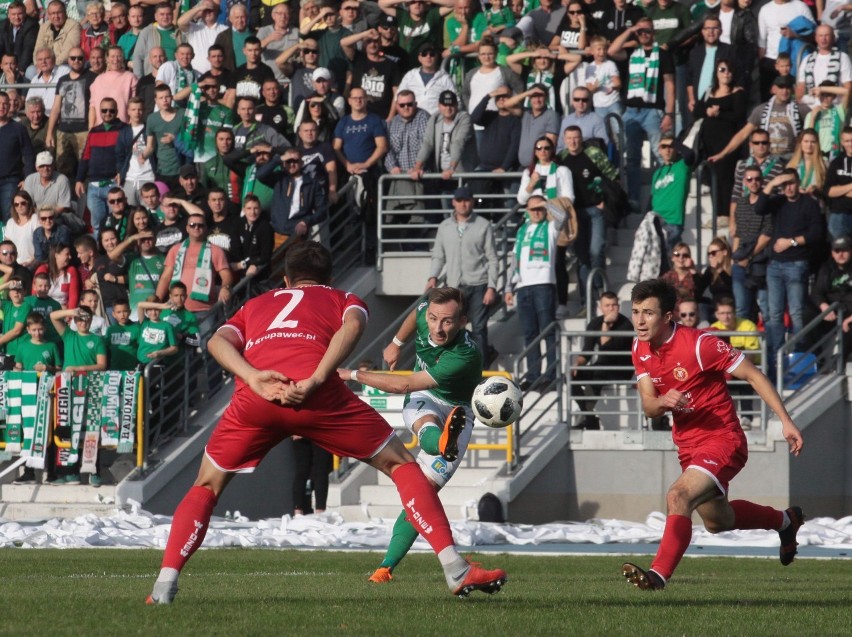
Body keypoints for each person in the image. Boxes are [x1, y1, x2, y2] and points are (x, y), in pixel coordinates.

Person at [146, 240, 507, 604]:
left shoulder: (255, 303)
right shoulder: (344, 298)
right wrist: (318, 378)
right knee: (401, 466)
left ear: (285, 280)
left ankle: (164, 586)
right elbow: (350, 327)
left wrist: (253, 377)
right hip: (320, 395)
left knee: (206, 485)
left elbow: (217, 342)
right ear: (331, 278)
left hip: (257, 397)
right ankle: (455, 569)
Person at [622, 278, 804, 591]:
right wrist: (663, 401)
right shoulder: (640, 347)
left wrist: (785, 421)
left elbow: (753, 375)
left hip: (723, 438)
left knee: (678, 496)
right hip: (688, 447)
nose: (639, 320)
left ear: (668, 316)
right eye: (636, 311)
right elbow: (649, 408)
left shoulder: (700, 343)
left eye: (648, 313)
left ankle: (657, 576)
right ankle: (786, 521)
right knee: (719, 521)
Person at [336, 285, 482, 582]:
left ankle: (385, 567)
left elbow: (404, 385)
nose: (438, 328)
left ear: (463, 320)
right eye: (433, 318)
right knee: (425, 418)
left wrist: (352, 374)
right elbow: (412, 319)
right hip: (425, 399)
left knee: (421, 495)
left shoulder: (464, 354)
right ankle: (440, 441)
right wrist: (396, 342)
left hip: (457, 410)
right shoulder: (424, 313)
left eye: (447, 322)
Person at [756, 169, 824, 372]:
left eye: (792, 183)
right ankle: (776, 357)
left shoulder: (809, 203)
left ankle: (799, 354)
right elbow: (759, 207)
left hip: (797, 263)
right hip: (775, 265)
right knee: (774, 314)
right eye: (785, 184)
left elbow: (816, 233)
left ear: (798, 182)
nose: (788, 188)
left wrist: (791, 242)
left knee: (796, 312)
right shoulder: (778, 201)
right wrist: (772, 182)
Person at [608, 18, 676, 208]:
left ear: (654, 32)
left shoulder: (662, 55)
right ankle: (634, 198)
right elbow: (612, 51)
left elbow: (670, 84)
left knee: (660, 154)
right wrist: (631, 31)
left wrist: (669, 113)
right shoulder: (631, 52)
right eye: (641, 31)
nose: (644, 34)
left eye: (647, 31)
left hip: (653, 111)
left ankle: (665, 195)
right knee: (632, 157)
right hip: (630, 111)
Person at [427, 186, 498, 364]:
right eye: (459, 200)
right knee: (453, 327)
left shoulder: (483, 225)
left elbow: (492, 258)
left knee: (479, 328)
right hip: (454, 286)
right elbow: (438, 256)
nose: (463, 204)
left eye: (466, 200)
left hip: (479, 284)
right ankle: (455, 365)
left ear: (472, 202)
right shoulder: (444, 227)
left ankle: (481, 370)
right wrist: (433, 276)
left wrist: (492, 286)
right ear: (453, 202)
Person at [505, 194, 568, 391]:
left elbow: (562, 217)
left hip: (543, 285)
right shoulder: (522, 231)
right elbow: (514, 259)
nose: (537, 212)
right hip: (523, 287)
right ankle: (533, 376)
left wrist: (546, 203)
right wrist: (508, 287)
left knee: (547, 331)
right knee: (530, 334)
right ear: (526, 211)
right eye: (533, 209)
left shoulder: (550, 227)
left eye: (539, 209)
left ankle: (551, 376)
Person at [694, 58, 748, 224]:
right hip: (708, 141)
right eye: (722, 70)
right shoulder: (710, 91)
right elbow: (697, 110)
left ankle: (726, 213)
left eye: (729, 70)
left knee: (725, 176)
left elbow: (739, 116)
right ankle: (717, 213)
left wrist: (720, 114)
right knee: (712, 176)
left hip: (727, 141)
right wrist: (708, 110)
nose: (726, 73)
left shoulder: (737, 92)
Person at [570, 291, 634, 429]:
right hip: (601, 367)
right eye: (607, 306)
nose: (611, 309)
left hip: (621, 369)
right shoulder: (595, 323)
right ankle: (590, 417)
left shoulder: (626, 324)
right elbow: (587, 352)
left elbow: (606, 345)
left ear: (618, 306)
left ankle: (588, 419)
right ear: (601, 307)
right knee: (570, 375)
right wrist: (577, 364)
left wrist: (606, 324)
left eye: (614, 305)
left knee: (597, 373)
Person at [155, 213, 234, 314]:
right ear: (187, 228)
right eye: (192, 225)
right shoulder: (175, 250)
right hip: (176, 309)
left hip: (206, 310)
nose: (196, 227)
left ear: (206, 228)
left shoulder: (216, 250)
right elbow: (165, 278)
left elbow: (227, 275)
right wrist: (157, 302)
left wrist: (225, 288)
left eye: (200, 225)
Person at [256, 146, 328, 250]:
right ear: (284, 163)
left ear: (302, 163)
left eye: (295, 161)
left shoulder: (312, 184)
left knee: (294, 264)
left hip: (297, 235)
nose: (292, 164)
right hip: (277, 232)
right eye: (289, 161)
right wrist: (278, 159)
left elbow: (322, 211)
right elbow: (260, 175)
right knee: (275, 264)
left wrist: (306, 221)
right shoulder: (279, 179)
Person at [731, 166, 773, 323]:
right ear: (744, 182)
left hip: (761, 262)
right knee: (741, 309)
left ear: (762, 181)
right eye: (750, 179)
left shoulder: (767, 203)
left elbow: (767, 234)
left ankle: (770, 348)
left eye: (757, 179)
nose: (753, 182)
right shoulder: (741, 203)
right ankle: (741, 347)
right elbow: (738, 233)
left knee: (766, 309)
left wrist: (748, 257)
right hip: (740, 262)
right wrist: (735, 258)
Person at [812, 234, 852, 361]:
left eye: (844, 250)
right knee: (808, 316)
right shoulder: (826, 268)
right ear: (832, 253)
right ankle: (816, 360)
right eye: (837, 251)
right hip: (832, 312)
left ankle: (839, 362)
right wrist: (824, 306)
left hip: (850, 313)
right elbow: (817, 293)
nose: (841, 254)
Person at [0, 91, 34, 219]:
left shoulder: (18, 129)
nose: (2, 107)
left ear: (9, 106)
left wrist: (27, 179)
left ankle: (5, 240)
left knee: (8, 217)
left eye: (5, 104)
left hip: (10, 181)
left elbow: (29, 155)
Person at [824, 126, 852, 239]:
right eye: (847, 141)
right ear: (842, 142)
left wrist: (840, 189)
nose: (850, 144)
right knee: (840, 250)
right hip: (839, 213)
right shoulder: (836, 162)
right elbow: (829, 191)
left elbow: (835, 190)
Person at [4, 190, 38, 268]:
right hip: (13, 265)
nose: (20, 206)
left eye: (23, 203)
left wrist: (30, 263)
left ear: (28, 203)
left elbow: (40, 246)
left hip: (32, 264)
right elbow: (7, 246)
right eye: (16, 204)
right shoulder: (10, 222)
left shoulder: (35, 219)